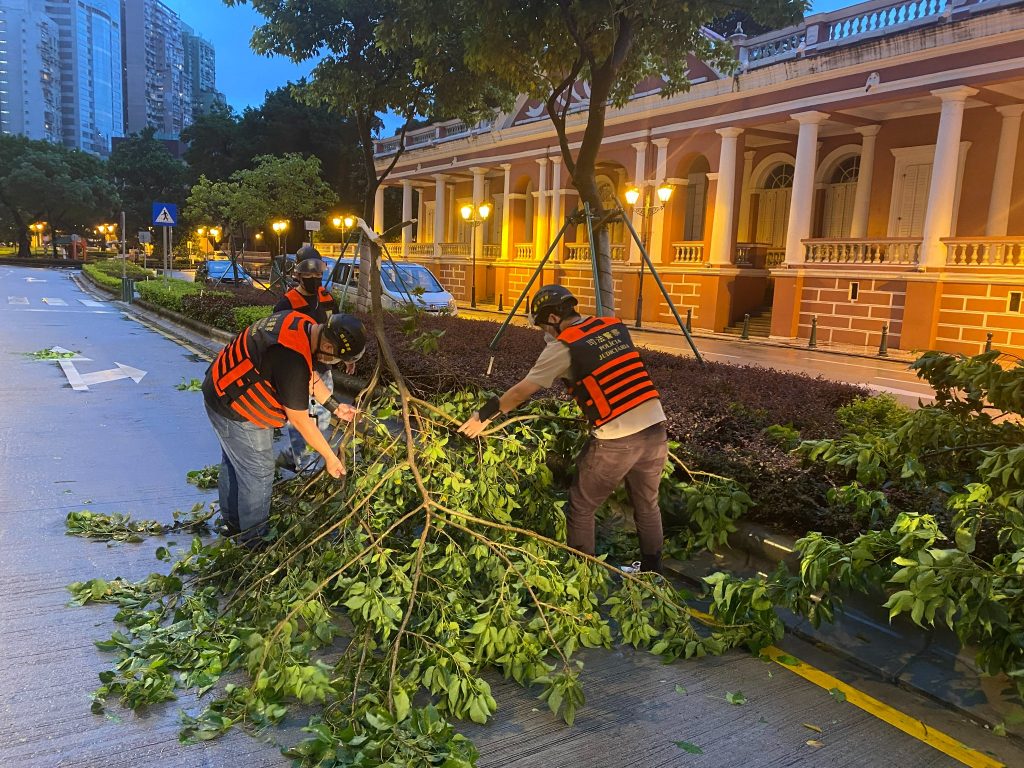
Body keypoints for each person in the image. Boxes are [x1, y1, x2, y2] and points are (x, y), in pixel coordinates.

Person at [458, 285, 668, 573]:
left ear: (554, 318)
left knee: (581, 506)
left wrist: (484, 416)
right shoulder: (611, 326)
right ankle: (653, 571)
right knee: (647, 504)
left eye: (543, 324)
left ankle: (581, 578)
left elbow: (522, 391)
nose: (543, 331)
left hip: (617, 439)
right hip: (656, 429)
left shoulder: (564, 346)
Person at [202, 309, 366, 546]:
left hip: (220, 387)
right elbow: (300, 419)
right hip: (235, 406)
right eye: (337, 359)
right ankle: (252, 542)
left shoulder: (304, 325)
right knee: (258, 472)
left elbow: (310, 374)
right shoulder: (291, 359)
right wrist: (330, 457)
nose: (334, 364)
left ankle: (235, 526)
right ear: (329, 348)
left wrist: (335, 407)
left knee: (236, 462)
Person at [272, 249, 344, 470]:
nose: (314, 278)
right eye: (308, 273)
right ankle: (306, 467)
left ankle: (293, 456)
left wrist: (345, 356)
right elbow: (276, 338)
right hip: (297, 372)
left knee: (321, 419)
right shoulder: (288, 303)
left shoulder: (326, 298)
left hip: (322, 369)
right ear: (298, 274)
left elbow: (336, 329)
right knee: (302, 418)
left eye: (317, 272)